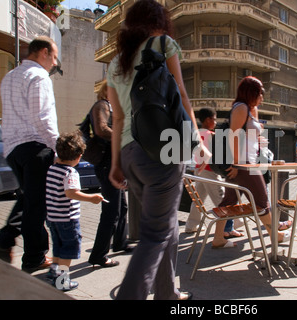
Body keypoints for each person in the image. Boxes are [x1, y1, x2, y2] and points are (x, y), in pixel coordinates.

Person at [107, 0, 207, 300]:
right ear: (159, 21)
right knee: (155, 232)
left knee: (164, 225)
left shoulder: (116, 62)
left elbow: (119, 118)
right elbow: (181, 93)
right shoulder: (163, 44)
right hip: (162, 149)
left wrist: (115, 163)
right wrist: (198, 141)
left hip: (129, 155)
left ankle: (168, 292)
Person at [0, 36, 59, 272]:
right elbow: (42, 117)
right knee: (36, 205)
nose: (54, 63)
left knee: (27, 198)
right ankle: (34, 257)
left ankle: (6, 238)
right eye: (53, 57)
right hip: (35, 147)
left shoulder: (9, 76)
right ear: (43, 52)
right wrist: (56, 147)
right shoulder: (39, 76)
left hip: (12, 148)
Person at [213, 76, 292, 248]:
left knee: (229, 201)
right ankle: (275, 235)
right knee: (262, 201)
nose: (262, 97)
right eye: (259, 93)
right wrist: (235, 164)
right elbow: (233, 137)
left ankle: (218, 238)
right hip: (243, 163)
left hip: (248, 161)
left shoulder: (250, 109)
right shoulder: (241, 108)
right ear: (250, 93)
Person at [45, 132, 104, 291]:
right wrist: (91, 198)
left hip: (52, 217)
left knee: (58, 246)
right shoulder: (70, 173)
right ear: (78, 156)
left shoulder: (52, 169)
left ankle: (54, 271)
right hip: (67, 219)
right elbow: (71, 193)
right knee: (68, 250)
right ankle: (62, 281)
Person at [87, 80, 131, 268]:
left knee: (121, 207)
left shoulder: (110, 107)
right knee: (111, 211)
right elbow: (101, 129)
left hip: (111, 163)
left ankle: (120, 242)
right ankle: (99, 254)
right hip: (106, 164)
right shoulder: (102, 105)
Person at [185, 108, 243, 241]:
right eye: (214, 119)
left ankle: (191, 225)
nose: (215, 122)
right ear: (208, 120)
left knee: (198, 200)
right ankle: (229, 228)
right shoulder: (211, 135)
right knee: (222, 200)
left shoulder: (197, 134)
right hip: (210, 171)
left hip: (198, 170)